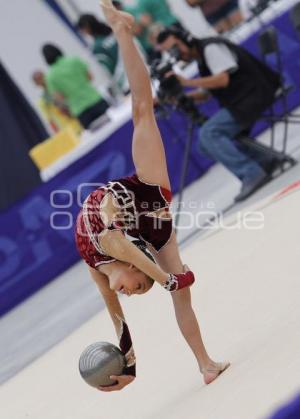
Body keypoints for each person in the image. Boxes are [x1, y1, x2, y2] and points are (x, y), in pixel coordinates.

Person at [75, 0, 230, 392]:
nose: (130, 294)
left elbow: (117, 313)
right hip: (149, 205)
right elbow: (131, 252)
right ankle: (206, 364)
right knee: (144, 109)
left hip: (119, 203)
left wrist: (127, 361)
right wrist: (167, 280)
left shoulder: (98, 265)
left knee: (142, 110)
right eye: (139, 288)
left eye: (132, 290)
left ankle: (122, 30)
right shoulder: (142, 254)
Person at [156, 27, 282, 202]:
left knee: (209, 133)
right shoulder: (201, 58)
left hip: (256, 93)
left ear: (187, 38)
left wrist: (186, 82)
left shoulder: (210, 48)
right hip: (243, 99)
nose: (176, 53)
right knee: (205, 145)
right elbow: (207, 93)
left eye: (175, 46)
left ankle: (251, 173)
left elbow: (223, 80)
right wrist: (178, 98)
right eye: (170, 51)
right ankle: (266, 160)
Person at [42, 44, 109, 129]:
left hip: (79, 110)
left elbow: (59, 97)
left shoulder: (50, 77)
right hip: (95, 99)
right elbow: (90, 77)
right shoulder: (74, 60)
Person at [32, 70, 81, 135]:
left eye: (42, 77)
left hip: (81, 118)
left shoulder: (61, 87)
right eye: (39, 80)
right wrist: (60, 134)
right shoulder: (43, 101)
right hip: (70, 129)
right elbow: (50, 121)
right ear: (37, 84)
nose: (42, 80)